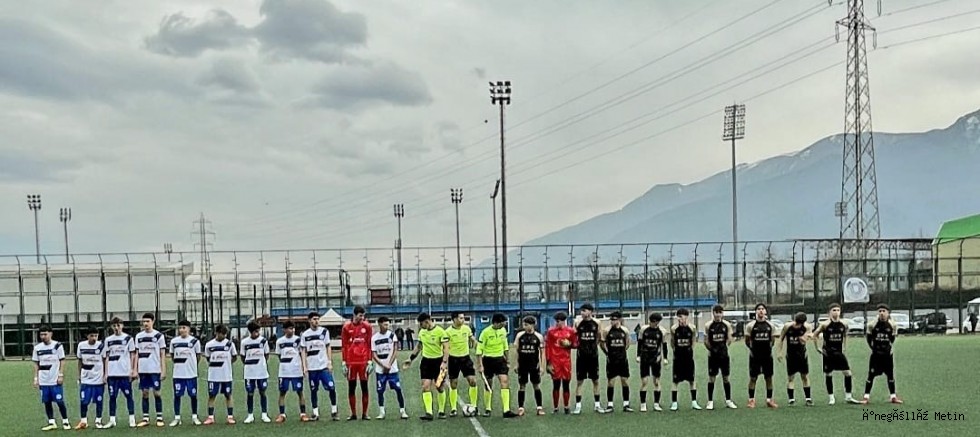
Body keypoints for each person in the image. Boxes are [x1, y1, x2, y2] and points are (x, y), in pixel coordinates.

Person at [403, 312, 449, 421]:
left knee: (439, 386)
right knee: (425, 386)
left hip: (439, 362)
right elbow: (419, 346)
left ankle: (441, 411)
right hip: (426, 363)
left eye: (421, 323)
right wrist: (411, 358)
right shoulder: (422, 332)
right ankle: (429, 412)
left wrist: (444, 362)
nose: (420, 326)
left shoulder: (440, 332)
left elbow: (446, 348)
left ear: (427, 321)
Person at [812, 303, 861, 405]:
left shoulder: (844, 324)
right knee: (829, 374)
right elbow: (815, 335)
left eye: (838, 310)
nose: (836, 312)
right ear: (829, 312)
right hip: (828, 353)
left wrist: (844, 347)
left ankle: (848, 397)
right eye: (834, 310)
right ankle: (831, 398)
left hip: (839, 353)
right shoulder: (825, 325)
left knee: (848, 373)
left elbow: (845, 335)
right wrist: (817, 348)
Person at [478, 313, 519, 418]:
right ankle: (487, 409)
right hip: (488, 360)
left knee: (504, 381)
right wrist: (480, 365)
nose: (504, 324)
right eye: (503, 322)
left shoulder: (503, 331)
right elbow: (479, 350)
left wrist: (508, 360)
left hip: (500, 360)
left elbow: (505, 347)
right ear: (496, 322)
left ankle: (506, 410)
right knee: (488, 385)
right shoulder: (485, 333)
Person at [862, 304, 903, 404]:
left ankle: (893, 397)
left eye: (884, 311)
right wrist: (874, 348)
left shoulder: (892, 325)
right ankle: (866, 397)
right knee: (871, 375)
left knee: (890, 375)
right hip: (876, 355)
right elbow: (868, 338)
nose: (881, 313)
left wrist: (888, 349)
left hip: (887, 355)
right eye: (880, 311)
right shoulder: (872, 325)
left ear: (888, 313)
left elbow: (892, 339)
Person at [301, 311, 338, 421]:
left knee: (331, 387)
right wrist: (304, 366)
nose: (316, 321)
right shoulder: (305, 335)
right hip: (312, 368)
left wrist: (329, 362)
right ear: (309, 321)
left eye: (318, 319)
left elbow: (328, 346)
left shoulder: (324, 332)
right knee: (313, 390)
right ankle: (315, 412)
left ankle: (334, 410)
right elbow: (303, 351)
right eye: (314, 319)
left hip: (324, 367)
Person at [33, 326, 70, 431]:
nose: (43, 337)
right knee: (47, 401)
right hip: (43, 380)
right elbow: (36, 363)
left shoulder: (57, 346)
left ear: (50, 334)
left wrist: (60, 375)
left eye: (45, 334)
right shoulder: (37, 348)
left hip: (55, 380)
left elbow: (62, 361)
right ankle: (51, 422)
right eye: (41, 335)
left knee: (59, 401)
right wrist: (36, 378)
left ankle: (65, 421)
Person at [341, 305, 374, 421]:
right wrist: (344, 362)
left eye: (363, 316)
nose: (362, 318)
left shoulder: (367, 326)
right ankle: (353, 414)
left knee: (364, 387)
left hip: (363, 361)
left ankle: (365, 414)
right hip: (351, 362)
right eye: (360, 316)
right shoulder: (346, 327)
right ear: (354, 315)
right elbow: (344, 345)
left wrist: (370, 361)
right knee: (351, 387)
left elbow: (370, 344)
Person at [134, 312, 166, 427]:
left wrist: (163, 370)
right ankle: (145, 418)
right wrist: (135, 369)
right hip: (143, 370)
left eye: (148, 321)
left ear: (153, 322)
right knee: (145, 393)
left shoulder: (159, 336)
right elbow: (137, 353)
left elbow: (162, 354)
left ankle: (159, 418)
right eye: (144, 321)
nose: (145, 323)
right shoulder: (139, 336)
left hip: (155, 370)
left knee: (157, 393)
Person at [372, 316, 408, 420]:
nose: (387, 326)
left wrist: (389, 364)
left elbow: (395, 350)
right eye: (385, 324)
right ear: (379, 324)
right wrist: (383, 365)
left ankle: (402, 410)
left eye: (388, 324)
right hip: (380, 369)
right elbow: (374, 354)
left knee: (398, 389)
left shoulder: (392, 336)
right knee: (380, 391)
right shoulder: (374, 338)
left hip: (392, 369)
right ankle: (381, 411)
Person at [104, 317, 137, 428]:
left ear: (122, 326)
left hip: (124, 373)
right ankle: (112, 420)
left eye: (118, 325)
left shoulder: (128, 339)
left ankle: (132, 418)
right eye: (114, 326)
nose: (116, 328)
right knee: (112, 397)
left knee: (128, 396)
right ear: (111, 327)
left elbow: (133, 355)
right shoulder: (108, 340)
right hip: (112, 374)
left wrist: (132, 369)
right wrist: (106, 373)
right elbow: (107, 356)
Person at [274, 321, 309, 423]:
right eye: (289, 328)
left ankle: (303, 414)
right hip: (284, 371)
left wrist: (303, 367)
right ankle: (282, 415)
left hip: (296, 371)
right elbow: (279, 355)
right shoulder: (279, 341)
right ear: (284, 330)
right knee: (282, 392)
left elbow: (302, 353)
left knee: (300, 392)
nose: (292, 330)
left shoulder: (298, 340)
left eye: (293, 328)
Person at [445, 312, 479, 416]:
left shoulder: (467, 329)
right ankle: (453, 409)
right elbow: (445, 346)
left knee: (472, 381)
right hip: (453, 359)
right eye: (460, 318)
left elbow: (472, 339)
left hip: (465, 358)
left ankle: (474, 405)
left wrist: (476, 344)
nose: (463, 320)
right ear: (454, 319)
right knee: (453, 383)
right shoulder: (447, 332)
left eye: (463, 318)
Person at [169, 320, 202, 426]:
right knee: (177, 395)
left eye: (184, 328)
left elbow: (198, 356)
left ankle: (194, 417)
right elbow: (173, 356)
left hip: (191, 374)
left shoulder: (195, 341)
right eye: (180, 328)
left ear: (188, 329)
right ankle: (177, 418)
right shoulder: (174, 342)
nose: (182, 330)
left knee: (193, 395)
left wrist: (192, 366)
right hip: (178, 374)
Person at [703, 305, 737, 410]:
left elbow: (729, 339)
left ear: (722, 313)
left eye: (720, 312)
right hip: (713, 356)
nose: (718, 314)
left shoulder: (726, 324)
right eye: (716, 312)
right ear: (713, 313)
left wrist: (724, 348)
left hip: (724, 356)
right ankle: (710, 401)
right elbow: (706, 340)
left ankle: (728, 400)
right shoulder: (708, 325)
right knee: (712, 378)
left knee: (726, 378)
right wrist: (711, 349)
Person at [744, 303, 778, 409]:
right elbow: (747, 340)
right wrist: (753, 350)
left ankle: (769, 400)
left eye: (763, 309)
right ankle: (751, 400)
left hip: (767, 356)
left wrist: (768, 349)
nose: (761, 311)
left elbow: (772, 340)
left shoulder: (770, 326)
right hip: (755, 356)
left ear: (766, 312)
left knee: (769, 378)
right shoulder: (750, 326)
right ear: (756, 312)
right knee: (753, 378)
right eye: (758, 309)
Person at [777, 312, 813, 406]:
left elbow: (805, 340)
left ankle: (808, 399)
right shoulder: (787, 326)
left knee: (804, 376)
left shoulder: (807, 327)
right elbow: (781, 338)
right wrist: (779, 352)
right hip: (790, 356)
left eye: (799, 324)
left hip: (802, 355)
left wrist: (805, 337)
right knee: (791, 378)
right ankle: (791, 400)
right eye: (796, 322)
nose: (796, 325)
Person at [572, 303, 603, 414]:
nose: (582, 313)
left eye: (584, 311)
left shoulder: (597, 323)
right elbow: (573, 336)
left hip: (593, 356)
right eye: (581, 311)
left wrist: (594, 347)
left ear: (590, 311)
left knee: (595, 380)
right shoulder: (577, 323)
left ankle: (597, 405)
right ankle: (578, 406)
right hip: (581, 356)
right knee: (580, 381)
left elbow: (599, 337)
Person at [513, 316, 546, 416]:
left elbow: (542, 353)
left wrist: (542, 366)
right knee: (522, 386)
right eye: (524, 324)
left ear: (532, 325)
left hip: (534, 365)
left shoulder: (539, 337)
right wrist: (516, 364)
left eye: (526, 325)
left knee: (536, 386)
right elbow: (516, 351)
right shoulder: (520, 336)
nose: (524, 326)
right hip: (522, 365)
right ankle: (521, 408)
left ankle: (539, 408)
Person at [203, 324, 236, 425]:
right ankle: (210, 417)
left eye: (225, 334)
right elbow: (208, 358)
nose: (224, 336)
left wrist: (226, 364)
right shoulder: (209, 345)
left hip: (226, 375)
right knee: (212, 395)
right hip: (213, 376)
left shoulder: (230, 344)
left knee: (228, 395)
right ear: (216, 333)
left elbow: (234, 357)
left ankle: (230, 417)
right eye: (222, 334)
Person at [670, 308, 702, 411]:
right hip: (678, 358)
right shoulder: (674, 329)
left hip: (688, 358)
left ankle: (694, 402)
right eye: (678, 316)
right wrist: (676, 351)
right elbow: (672, 342)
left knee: (692, 380)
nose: (680, 318)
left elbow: (693, 341)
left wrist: (690, 350)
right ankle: (674, 403)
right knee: (675, 381)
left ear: (686, 317)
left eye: (682, 316)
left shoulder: (692, 328)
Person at [545, 311, 576, 414]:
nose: (557, 323)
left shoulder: (570, 331)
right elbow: (548, 347)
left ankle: (567, 406)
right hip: (555, 361)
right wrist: (548, 362)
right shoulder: (551, 332)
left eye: (559, 321)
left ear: (564, 321)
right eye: (556, 321)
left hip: (566, 361)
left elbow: (575, 344)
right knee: (556, 384)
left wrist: (569, 344)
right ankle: (555, 407)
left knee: (566, 384)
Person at [75, 326, 107, 429]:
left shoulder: (101, 346)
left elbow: (105, 360)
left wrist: (105, 375)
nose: (94, 338)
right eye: (92, 336)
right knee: (84, 400)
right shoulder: (81, 345)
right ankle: (83, 421)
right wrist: (79, 375)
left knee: (99, 401)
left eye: (96, 336)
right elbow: (80, 361)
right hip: (86, 378)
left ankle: (98, 420)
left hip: (98, 379)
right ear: (87, 336)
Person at [601, 311, 632, 413]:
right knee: (611, 382)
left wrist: (622, 352)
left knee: (625, 381)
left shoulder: (625, 330)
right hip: (611, 360)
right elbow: (602, 343)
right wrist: (607, 353)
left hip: (622, 360)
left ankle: (626, 404)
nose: (612, 321)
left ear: (619, 320)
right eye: (611, 320)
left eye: (614, 320)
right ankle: (610, 405)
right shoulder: (606, 331)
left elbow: (627, 343)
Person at [636, 313, 668, 412]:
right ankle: (643, 404)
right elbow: (640, 343)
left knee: (656, 382)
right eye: (651, 321)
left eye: (654, 322)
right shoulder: (643, 330)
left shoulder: (662, 331)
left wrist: (665, 358)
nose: (652, 323)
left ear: (657, 322)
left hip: (656, 359)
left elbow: (664, 345)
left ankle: (656, 404)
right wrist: (638, 355)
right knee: (644, 381)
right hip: (645, 358)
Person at [241, 322, 272, 424]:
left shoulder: (263, 341)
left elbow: (266, 355)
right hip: (249, 373)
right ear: (251, 332)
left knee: (262, 392)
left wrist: (261, 364)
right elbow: (242, 357)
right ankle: (250, 415)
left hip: (261, 373)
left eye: (258, 331)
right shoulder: (244, 342)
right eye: (256, 331)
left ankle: (264, 414)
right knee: (250, 393)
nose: (258, 333)